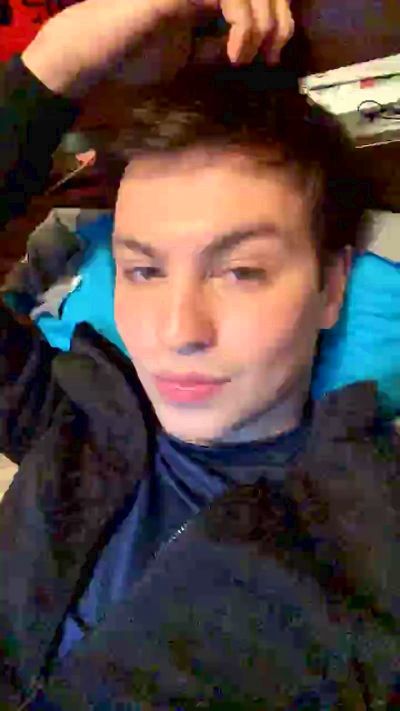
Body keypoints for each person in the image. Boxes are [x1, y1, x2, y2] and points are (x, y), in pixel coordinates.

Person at [0, 0, 399, 708]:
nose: (177, 330)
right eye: (143, 270)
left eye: (240, 271)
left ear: (333, 286)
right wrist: (61, 55)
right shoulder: (70, 415)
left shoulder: (370, 541)